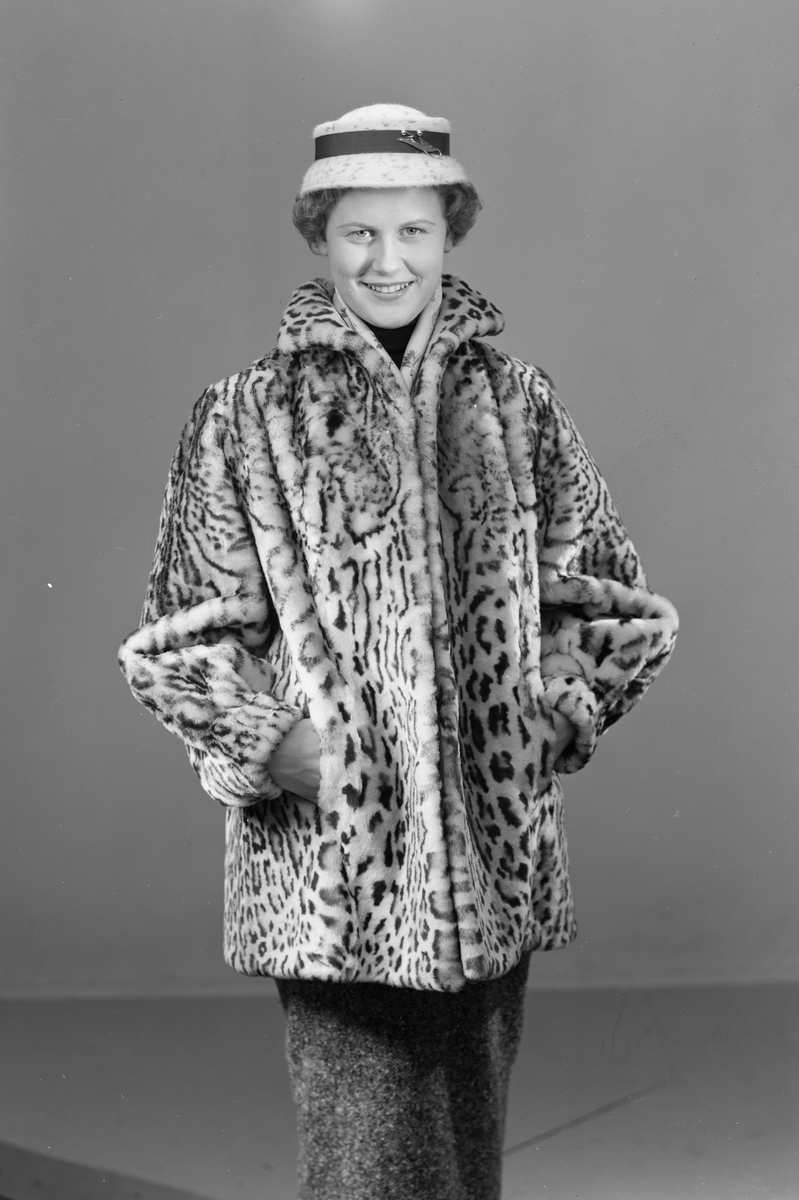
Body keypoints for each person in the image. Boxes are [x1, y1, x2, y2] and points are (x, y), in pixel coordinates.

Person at [119, 104, 678, 1200]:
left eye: (413, 230)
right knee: (364, 1166)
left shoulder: (515, 404)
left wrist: (550, 715)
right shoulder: (246, 415)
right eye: (360, 232)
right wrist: (275, 746)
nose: (388, 259)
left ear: (449, 232)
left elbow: (607, 600)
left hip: (492, 855)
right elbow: (182, 635)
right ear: (320, 238)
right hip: (337, 865)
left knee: (465, 1157)